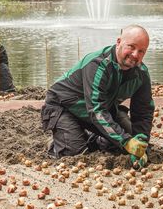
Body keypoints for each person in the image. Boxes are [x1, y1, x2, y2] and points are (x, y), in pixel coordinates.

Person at [40, 25, 154, 168]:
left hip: (101, 109)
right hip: (64, 106)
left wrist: (141, 141)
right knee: (76, 154)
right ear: (118, 42)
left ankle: (96, 137)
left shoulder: (141, 73)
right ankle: (57, 142)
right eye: (131, 47)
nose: (135, 55)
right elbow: (96, 110)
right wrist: (126, 141)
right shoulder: (98, 64)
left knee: (130, 143)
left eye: (141, 51)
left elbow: (144, 111)